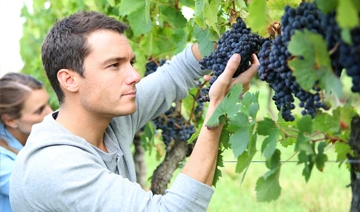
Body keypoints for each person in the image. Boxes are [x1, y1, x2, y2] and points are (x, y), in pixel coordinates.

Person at [10, 11, 259, 211]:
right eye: (114, 65)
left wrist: (252, 25)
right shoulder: (55, 167)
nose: (135, 75)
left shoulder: (108, 119)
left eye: (130, 62)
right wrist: (217, 109)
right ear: (69, 80)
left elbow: (178, 72)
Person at [0, 72, 52, 212]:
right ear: (10, 120)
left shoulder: (33, 135)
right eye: (39, 110)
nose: (50, 112)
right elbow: (41, 190)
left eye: (47, 103)